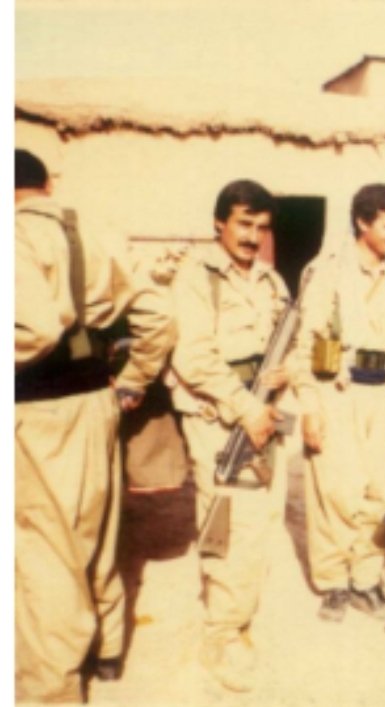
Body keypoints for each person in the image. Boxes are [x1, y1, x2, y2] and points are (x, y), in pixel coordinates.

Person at [15, 149, 173, 701]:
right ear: (46, 184)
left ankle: (51, 690)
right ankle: (106, 649)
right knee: (97, 530)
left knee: (44, 556)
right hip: (95, 401)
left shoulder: (14, 235)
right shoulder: (94, 231)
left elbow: (32, 327)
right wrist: (132, 380)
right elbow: (158, 316)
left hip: (35, 412)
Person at [168, 179, 290, 692]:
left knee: (261, 523)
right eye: (244, 224)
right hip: (221, 419)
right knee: (225, 525)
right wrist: (245, 409)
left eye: (262, 227)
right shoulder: (198, 275)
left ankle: (239, 622)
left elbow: (291, 341)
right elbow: (193, 356)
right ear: (220, 222)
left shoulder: (270, 280)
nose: (253, 236)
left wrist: (285, 379)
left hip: (265, 415)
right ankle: (218, 637)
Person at [294, 183, 385, 623]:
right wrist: (309, 406)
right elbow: (306, 344)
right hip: (336, 390)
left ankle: (365, 578)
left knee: (378, 491)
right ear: (362, 223)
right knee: (333, 491)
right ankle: (333, 583)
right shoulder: (327, 273)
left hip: (384, 392)